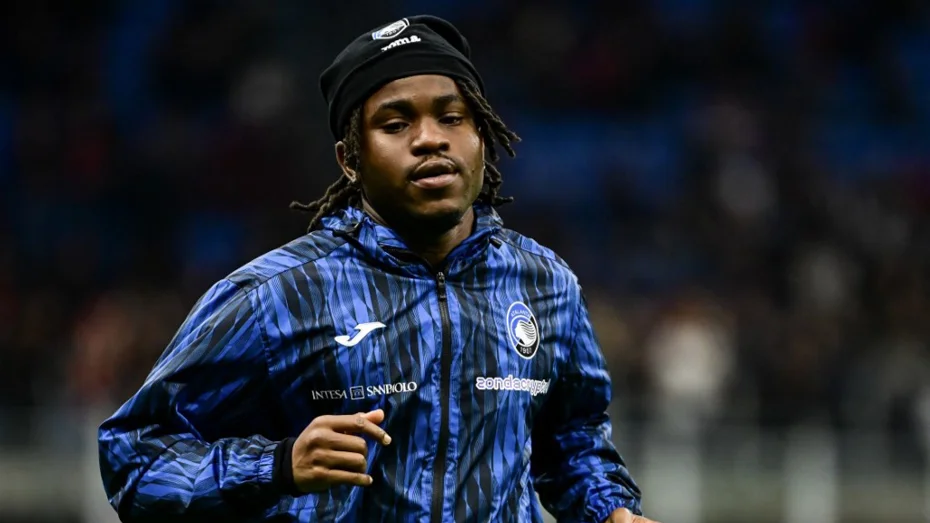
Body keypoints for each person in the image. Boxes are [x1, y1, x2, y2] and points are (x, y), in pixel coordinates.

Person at [98, 14, 657, 523]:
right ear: (350, 159)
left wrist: (610, 512)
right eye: (395, 124)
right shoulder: (275, 295)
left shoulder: (545, 284)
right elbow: (135, 458)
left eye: (452, 117)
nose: (430, 138)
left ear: (481, 136)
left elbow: (572, 439)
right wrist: (277, 465)